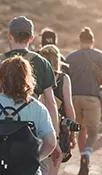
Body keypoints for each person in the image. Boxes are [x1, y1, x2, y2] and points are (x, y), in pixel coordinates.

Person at [0, 16, 61, 170]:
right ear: (31, 38)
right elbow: (51, 103)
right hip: (32, 127)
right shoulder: (42, 62)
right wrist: (55, 137)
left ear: (9, 36)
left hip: (0, 126)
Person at [0, 56, 57, 175]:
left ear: (1, 79)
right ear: (27, 79)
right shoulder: (37, 108)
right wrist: (33, 159)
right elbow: (51, 142)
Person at [66, 27, 102, 175]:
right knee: (92, 132)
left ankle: (82, 157)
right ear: (93, 41)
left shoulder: (70, 57)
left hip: (74, 99)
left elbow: (66, 80)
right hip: (92, 98)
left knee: (81, 130)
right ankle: (86, 155)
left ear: (80, 41)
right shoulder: (100, 56)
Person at [39, 44, 77, 175]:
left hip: (36, 127)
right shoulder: (63, 78)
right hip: (58, 129)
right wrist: (73, 132)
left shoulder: (34, 78)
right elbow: (69, 107)